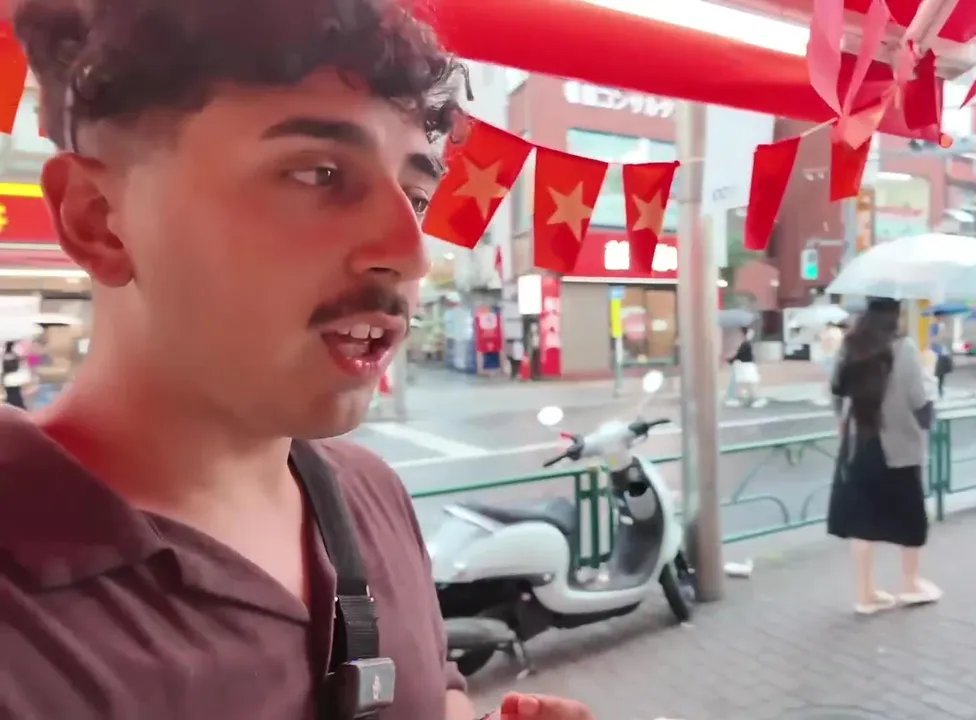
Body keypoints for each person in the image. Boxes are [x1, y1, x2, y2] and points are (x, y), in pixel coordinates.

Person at [0, 2, 590, 719]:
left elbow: (432, 696)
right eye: (318, 174)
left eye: (415, 197)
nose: (411, 255)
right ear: (98, 218)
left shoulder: (370, 492)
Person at [826, 297, 942, 615]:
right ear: (896, 315)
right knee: (910, 516)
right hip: (899, 447)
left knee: (862, 521)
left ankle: (865, 595)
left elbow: (836, 390)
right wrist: (930, 373)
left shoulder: (850, 345)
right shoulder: (904, 348)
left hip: (859, 445)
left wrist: (842, 421)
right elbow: (919, 401)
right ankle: (910, 584)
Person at [729, 327, 764, 408]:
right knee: (750, 382)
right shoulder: (746, 344)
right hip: (747, 365)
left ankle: (746, 398)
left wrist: (731, 360)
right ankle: (750, 398)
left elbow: (738, 355)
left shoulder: (745, 344)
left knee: (744, 382)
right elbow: (741, 355)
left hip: (744, 366)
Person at [2, 340, 30, 409]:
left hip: (8, 379)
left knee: (10, 395)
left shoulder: (5, 355)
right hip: (15, 378)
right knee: (16, 395)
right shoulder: (15, 356)